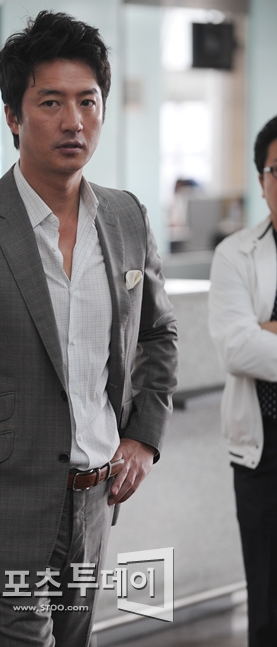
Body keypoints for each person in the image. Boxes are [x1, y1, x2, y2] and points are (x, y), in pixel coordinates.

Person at [0, 11, 178, 647]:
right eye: (51, 102)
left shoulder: (127, 218)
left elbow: (159, 334)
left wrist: (143, 436)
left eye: (87, 101)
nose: (73, 120)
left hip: (93, 507)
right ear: (13, 116)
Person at [209, 115, 277, 647]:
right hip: (264, 452)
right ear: (262, 179)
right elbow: (237, 348)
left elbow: (257, 342)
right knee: (269, 603)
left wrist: (267, 330)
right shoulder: (235, 252)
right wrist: (255, 335)